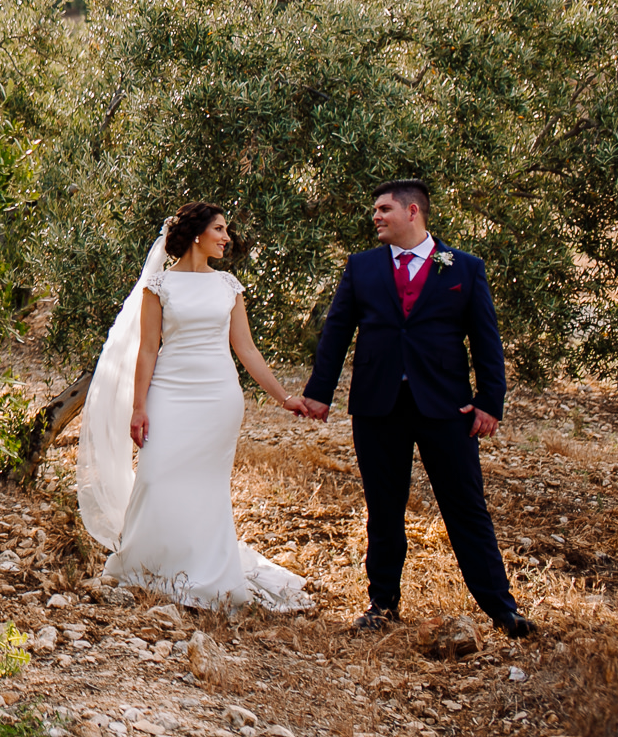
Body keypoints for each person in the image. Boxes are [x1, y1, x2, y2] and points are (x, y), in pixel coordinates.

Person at [299, 180, 534, 637]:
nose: (376, 217)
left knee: (466, 507)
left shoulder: (464, 267)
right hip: (377, 405)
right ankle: (382, 605)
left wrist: (490, 401)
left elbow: (486, 340)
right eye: (375, 210)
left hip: (446, 406)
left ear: (413, 212)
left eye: (384, 209)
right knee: (383, 508)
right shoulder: (361, 267)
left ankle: (503, 609)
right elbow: (336, 333)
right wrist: (319, 393)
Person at [77, 202, 314, 609]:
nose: (226, 237)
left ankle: (207, 573)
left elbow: (248, 350)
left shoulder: (227, 286)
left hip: (218, 397)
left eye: (226, 230)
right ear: (197, 235)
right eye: (220, 229)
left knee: (206, 486)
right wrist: (138, 407)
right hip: (169, 391)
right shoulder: (159, 285)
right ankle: (149, 565)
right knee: (155, 476)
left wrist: (285, 397)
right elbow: (148, 350)